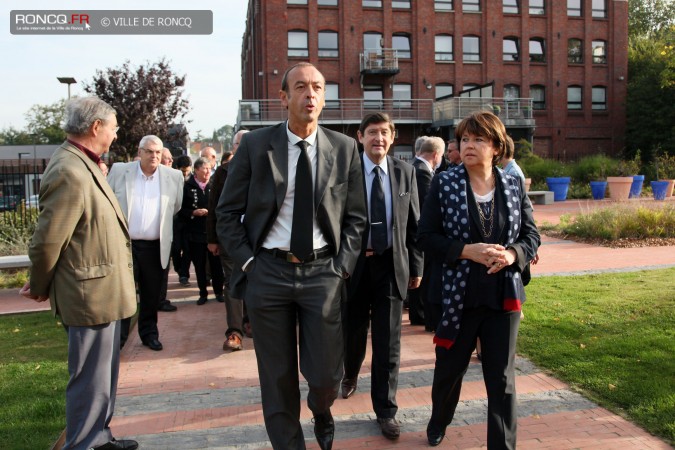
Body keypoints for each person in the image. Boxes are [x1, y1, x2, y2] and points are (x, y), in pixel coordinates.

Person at [216, 62, 367, 450]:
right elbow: (227, 214)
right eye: (301, 87)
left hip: (323, 274)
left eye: (317, 87)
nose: (311, 94)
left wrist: (341, 268)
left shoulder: (345, 147)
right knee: (278, 378)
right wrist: (250, 263)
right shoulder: (255, 145)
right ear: (284, 97)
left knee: (325, 377)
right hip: (268, 272)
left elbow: (356, 218)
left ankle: (321, 408)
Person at [20, 97, 138, 450]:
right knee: (89, 378)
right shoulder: (69, 170)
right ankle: (85, 443)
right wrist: (40, 285)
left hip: (100, 291)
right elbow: (47, 241)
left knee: (101, 378)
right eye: (114, 128)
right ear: (95, 127)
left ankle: (98, 438)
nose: (116, 135)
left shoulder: (83, 164)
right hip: (89, 295)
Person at [417, 111, 540, 448]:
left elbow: (531, 235)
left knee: (501, 380)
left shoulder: (513, 184)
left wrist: (513, 254)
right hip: (458, 298)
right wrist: (465, 250)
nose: (468, 145)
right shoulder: (444, 183)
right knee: (449, 373)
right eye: (464, 139)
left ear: (496, 146)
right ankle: (439, 419)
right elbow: (425, 236)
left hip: (503, 297)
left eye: (478, 140)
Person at [341, 113, 423, 440]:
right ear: (360, 137)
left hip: (391, 265)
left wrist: (416, 267)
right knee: (352, 330)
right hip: (354, 266)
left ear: (393, 137)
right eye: (372, 132)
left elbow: (414, 224)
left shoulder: (406, 173)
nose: (379, 138)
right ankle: (349, 374)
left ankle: (386, 410)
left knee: (389, 341)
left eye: (384, 133)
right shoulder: (346, 174)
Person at [107, 135, 184, 351]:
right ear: (139, 152)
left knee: (151, 295)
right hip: (125, 246)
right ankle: (118, 340)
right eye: (149, 151)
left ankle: (149, 334)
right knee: (123, 294)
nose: (154, 156)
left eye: (158, 152)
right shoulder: (121, 171)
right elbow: (107, 200)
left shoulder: (173, 176)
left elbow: (175, 207)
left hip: (155, 247)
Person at [207, 129, 249, 351]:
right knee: (232, 281)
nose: (242, 147)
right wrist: (212, 238)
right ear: (232, 147)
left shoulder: (265, 167)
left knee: (254, 278)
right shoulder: (222, 173)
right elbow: (214, 206)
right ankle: (235, 331)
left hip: (257, 237)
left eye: (247, 142)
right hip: (230, 237)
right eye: (238, 144)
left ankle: (249, 320)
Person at [410, 136, 445, 331]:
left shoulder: (416, 167)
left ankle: (419, 313)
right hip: (422, 234)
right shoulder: (422, 173)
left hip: (417, 233)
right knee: (424, 276)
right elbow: (425, 207)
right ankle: (422, 315)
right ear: (436, 154)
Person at [180, 157, 225, 305]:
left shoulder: (215, 184)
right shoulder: (188, 186)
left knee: (216, 264)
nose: (207, 172)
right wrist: (193, 212)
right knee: (199, 265)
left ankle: (219, 291)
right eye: (204, 169)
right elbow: (181, 210)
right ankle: (202, 293)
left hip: (213, 232)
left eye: (209, 169)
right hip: (196, 233)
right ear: (196, 170)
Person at [157, 147, 179, 312]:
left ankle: (161, 299)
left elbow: (177, 206)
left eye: (171, 158)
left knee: (163, 269)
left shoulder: (175, 178)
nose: (171, 161)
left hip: (167, 232)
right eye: (167, 158)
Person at [172, 155, 193, 286]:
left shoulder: (192, 182)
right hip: (175, 221)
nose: (185, 174)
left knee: (187, 248)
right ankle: (179, 269)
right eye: (182, 171)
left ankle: (184, 274)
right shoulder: (173, 180)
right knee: (175, 249)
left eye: (187, 171)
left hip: (188, 221)